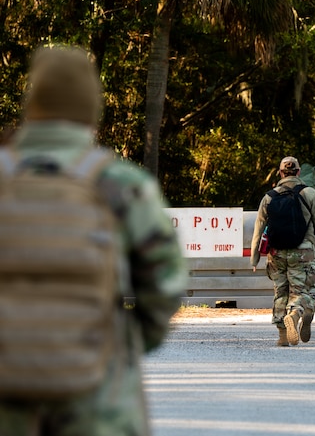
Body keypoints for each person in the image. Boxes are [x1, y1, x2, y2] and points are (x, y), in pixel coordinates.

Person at [0, 44, 187, 436]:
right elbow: (166, 285)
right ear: (91, 111)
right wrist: (126, 344)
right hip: (98, 398)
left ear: (30, 105)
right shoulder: (121, 184)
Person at [251, 157, 315, 346]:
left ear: (281, 173)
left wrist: (254, 258)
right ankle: (296, 313)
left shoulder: (269, 196)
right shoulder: (309, 193)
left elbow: (259, 228)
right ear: (299, 172)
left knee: (281, 291)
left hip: (276, 252)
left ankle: (282, 335)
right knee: (303, 289)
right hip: (303, 250)